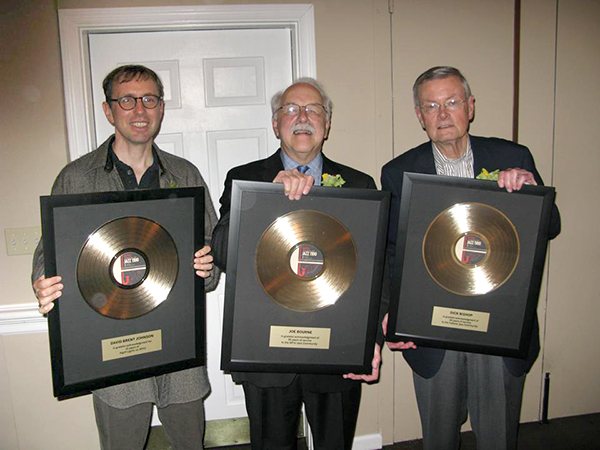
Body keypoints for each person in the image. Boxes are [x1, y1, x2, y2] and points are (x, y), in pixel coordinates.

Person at [32, 65, 219, 450]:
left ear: (161, 108)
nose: (140, 110)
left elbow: (210, 245)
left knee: (190, 442)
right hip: (113, 348)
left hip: (179, 341)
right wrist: (42, 282)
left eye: (149, 100)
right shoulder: (77, 177)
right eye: (127, 100)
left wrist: (208, 266)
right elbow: (49, 249)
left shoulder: (185, 174)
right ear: (108, 110)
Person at [381, 66, 561, 450]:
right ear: (419, 116)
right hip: (433, 330)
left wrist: (529, 191)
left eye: (452, 102)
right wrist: (391, 312)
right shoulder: (398, 172)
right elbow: (394, 252)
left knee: (498, 438)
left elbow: (550, 226)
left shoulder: (512, 155)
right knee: (439, 440)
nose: (442, 114)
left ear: (470, 107)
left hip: (500, 326)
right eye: (431, 105)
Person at [211, 78, 380, 450]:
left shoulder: (359, 183)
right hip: (266, 353)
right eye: (291, 109)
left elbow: (374, 272)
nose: (302, 117)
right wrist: (266, 197)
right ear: (275, 124)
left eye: (314, 109)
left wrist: (372, 340)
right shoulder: (245, 179)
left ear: (327, 123)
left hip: (338, 350)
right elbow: (221, 251)